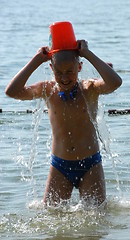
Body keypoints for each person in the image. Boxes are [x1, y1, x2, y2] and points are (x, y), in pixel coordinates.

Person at [5, 38, 122, 206]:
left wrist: (87, 54)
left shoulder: (89, 89)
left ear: (79, 67)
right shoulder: (47, 89)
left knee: (97, 220)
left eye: (70, 71)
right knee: (51, 216)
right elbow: (12, 91)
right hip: (60, 166)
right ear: (51, 69)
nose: (64, 77)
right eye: (59, 72)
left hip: (91, 164)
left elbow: (115, 82)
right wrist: (36, 60)